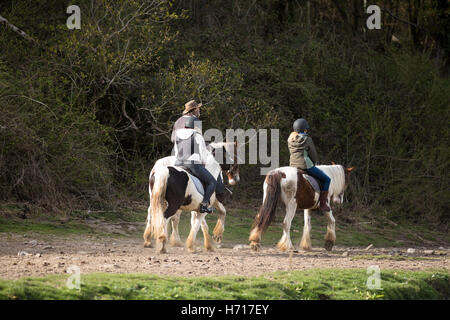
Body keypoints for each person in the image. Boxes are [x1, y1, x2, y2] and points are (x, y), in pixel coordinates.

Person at [174, 116, 216, 213]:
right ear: (195, 126)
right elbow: (203, 154)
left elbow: (176, 152)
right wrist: (203, 164)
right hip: (192, 164)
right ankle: (204, 205)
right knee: (211, 182)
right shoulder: (197, 135)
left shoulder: (177, 135)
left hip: (178, 163)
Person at [288, 118, 331, 211]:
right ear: (305, 129)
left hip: (292, 166)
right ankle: (323, 203)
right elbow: (313, 155)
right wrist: (315, 162)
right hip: (305, 166)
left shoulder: (290, 139)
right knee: (327, 179)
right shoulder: (307, 139)